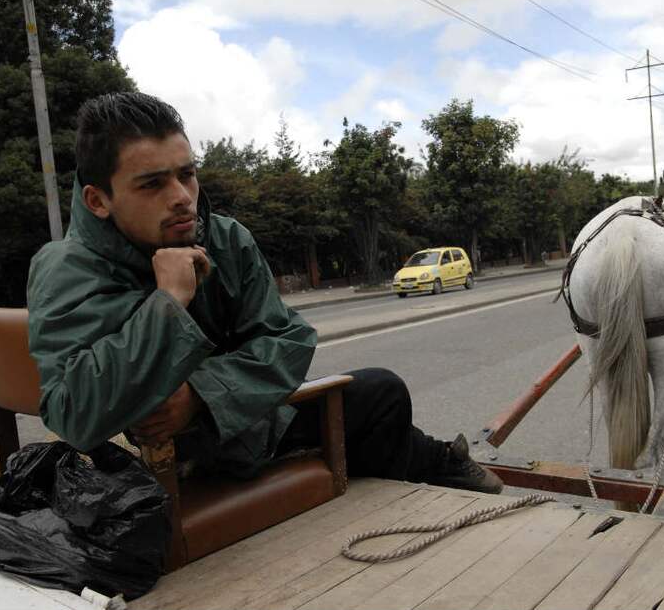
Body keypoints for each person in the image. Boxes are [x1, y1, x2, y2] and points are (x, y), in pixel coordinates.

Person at [27, 92, 502, 494]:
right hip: (142, 477)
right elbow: (73, 413)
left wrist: (199, 395)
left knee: (378, 397)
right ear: (98, 200)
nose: (181, 197)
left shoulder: (226, 239)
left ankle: (433, 462)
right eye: (152, 184)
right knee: (380, 399)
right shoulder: (65, 268)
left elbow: (289, 339)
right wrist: (168, 303)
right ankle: (435, 463)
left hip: (241, 423)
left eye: (186, 174)